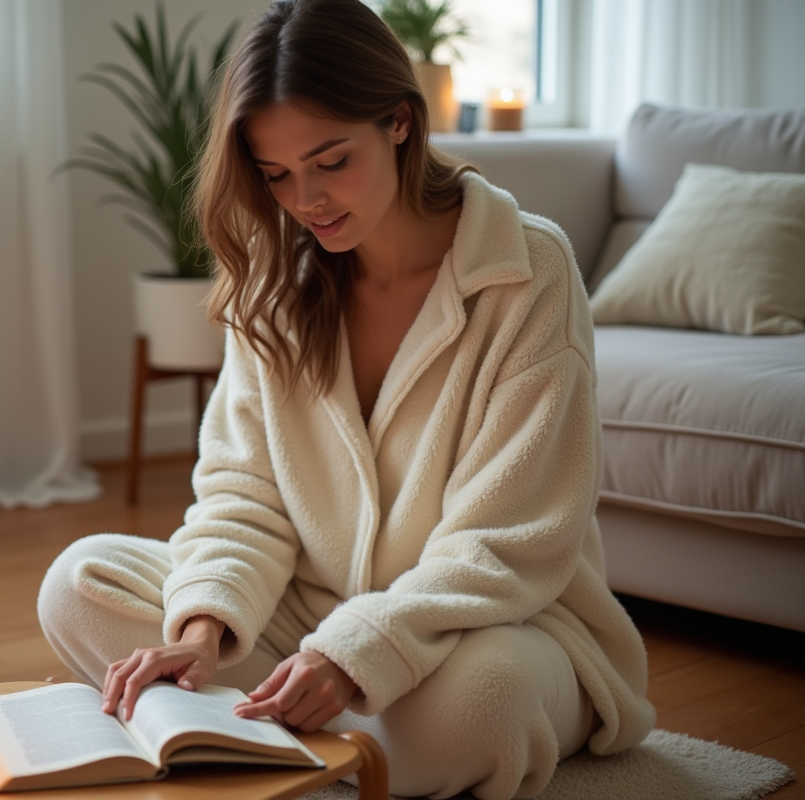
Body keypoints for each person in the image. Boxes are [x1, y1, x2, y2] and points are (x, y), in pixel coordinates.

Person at [39, 0, 655, 797]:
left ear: (399, 122)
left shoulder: (527, 269)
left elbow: (509, 539)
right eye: (277, 174)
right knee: (78, 582)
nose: (308, 201)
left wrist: (354, 656)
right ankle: (322, 736)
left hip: (491, 624)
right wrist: (199, 635)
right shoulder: (276, 280)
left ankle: (257, 732)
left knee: (484, 705)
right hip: (306, 609)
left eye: (331, 161)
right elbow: (243, 493)